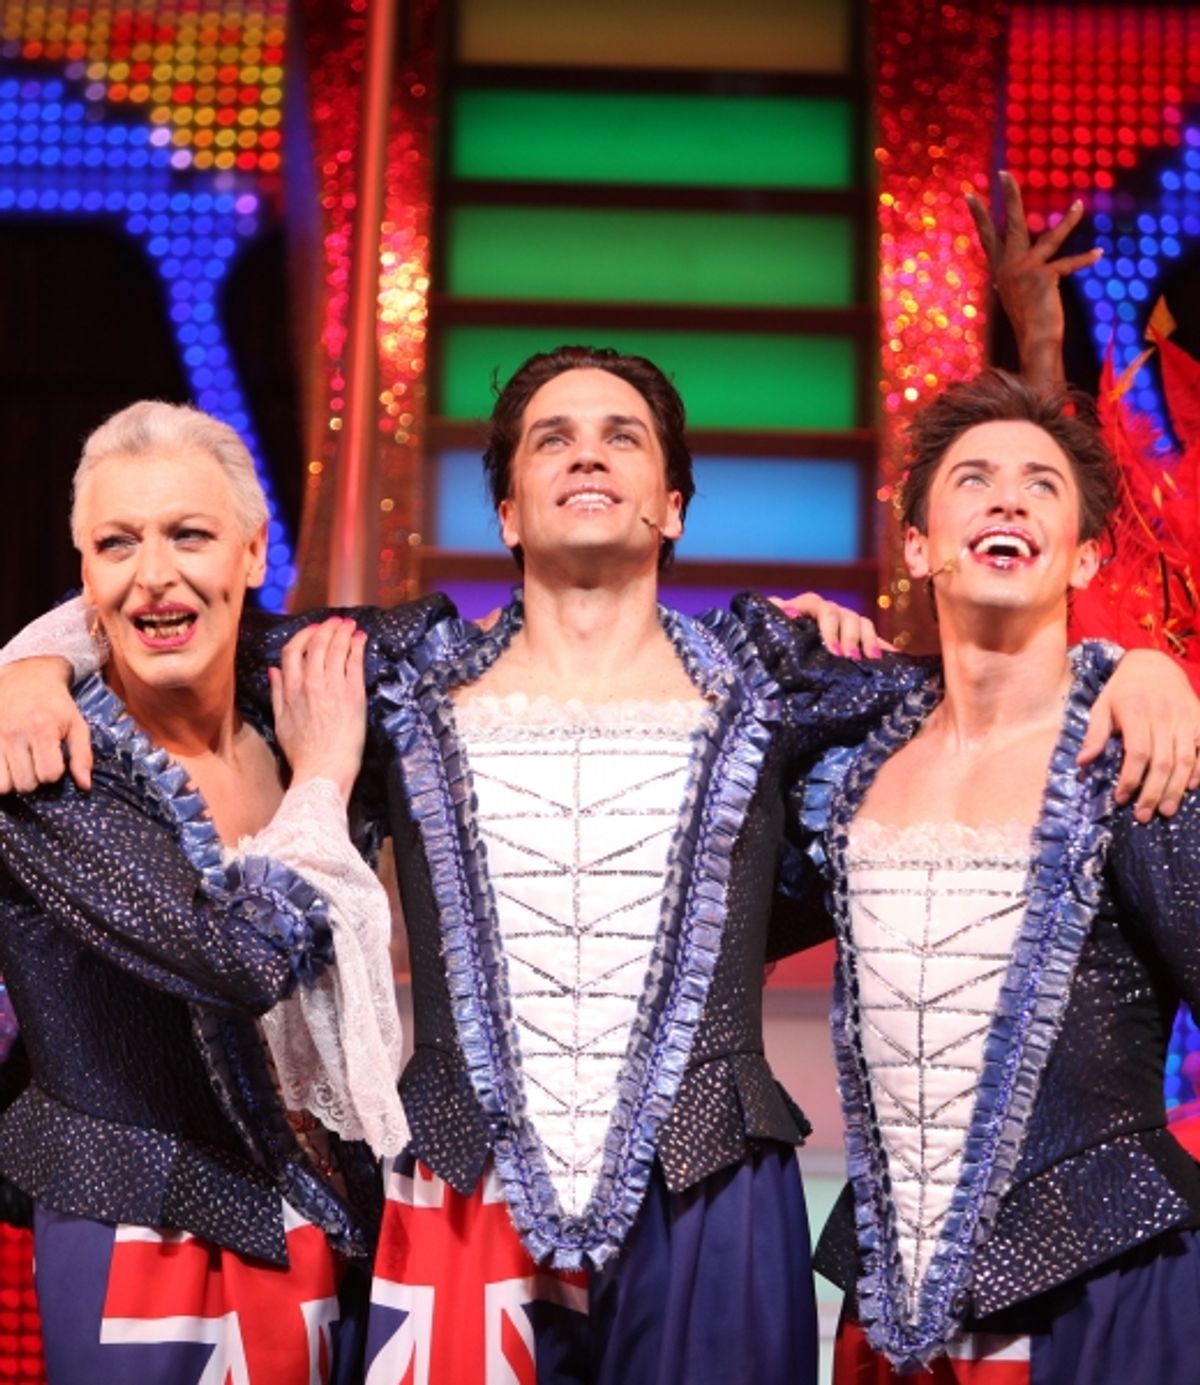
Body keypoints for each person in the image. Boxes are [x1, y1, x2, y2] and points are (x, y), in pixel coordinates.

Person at [1, 351, 1198, 1385]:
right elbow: (193, 613)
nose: (588, 453)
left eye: (623, 436)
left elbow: (993, 671)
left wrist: (1141, 666)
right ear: (507, 510)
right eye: (553, 437)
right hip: (459, 1187)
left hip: (711, 1190)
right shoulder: (400, 673)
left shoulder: (775, 674)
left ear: (671, 505)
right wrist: (30, 665)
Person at [802, 370, 1200, 1382]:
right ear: (920, 544)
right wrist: (776, 636)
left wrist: (1151, 664)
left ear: (1086, 554)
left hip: (1102, 1291)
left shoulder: (1139, 752)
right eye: (973, 479)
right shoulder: (856, 760)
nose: (1008, 499)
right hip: (891, 1308)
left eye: (1041, 485)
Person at [0, 400, 406, 1384]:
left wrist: (775, 631)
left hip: (331, 1223)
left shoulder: (290, 689)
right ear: (85, 574)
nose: (153, 573)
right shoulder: (49, 759)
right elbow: (241, 956)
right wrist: (324, 777)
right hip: (140, 1237)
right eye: (117, 543)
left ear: (255, 552)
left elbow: (446, 639)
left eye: (189, 534)